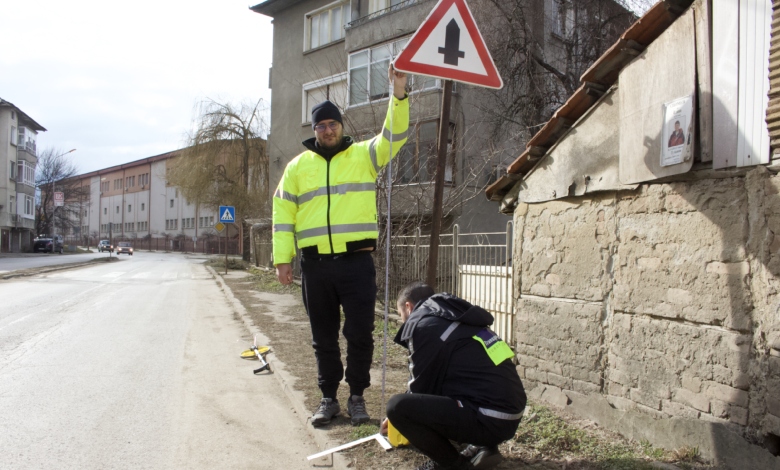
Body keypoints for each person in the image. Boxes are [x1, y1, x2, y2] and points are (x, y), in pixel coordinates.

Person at [273, 64, 408, 427]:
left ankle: (358, 397)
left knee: (360, 333)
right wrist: (282, 260)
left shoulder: (364, 155)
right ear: (314, 130)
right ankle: (328, 398)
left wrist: (398, 93)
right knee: (323, 337)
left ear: (340, 126)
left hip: (355, 264)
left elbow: (394, 136)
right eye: (321, 125)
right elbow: (282, 214)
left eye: (332, 124)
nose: (327, 130)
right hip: (315, 266)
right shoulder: (298, 167)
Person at [381, 282, 527, 470]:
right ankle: (483, 446)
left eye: (401, 315)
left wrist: (397, 420)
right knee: (447, 383)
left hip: (490, 417)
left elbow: (420, 387)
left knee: (397, 407)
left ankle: (454, 465)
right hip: (509, 412)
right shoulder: (455, 318)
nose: (403, 321)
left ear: (408, 307)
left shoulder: (423, 324)